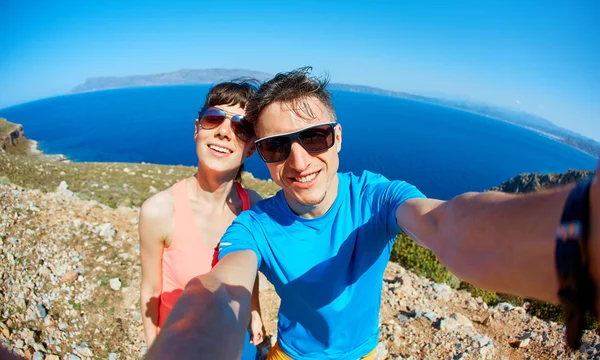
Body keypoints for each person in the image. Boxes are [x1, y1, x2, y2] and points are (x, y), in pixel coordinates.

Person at [147, 68, 600, 360]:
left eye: (316, 137)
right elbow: (223, 284)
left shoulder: (375, 199)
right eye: (277, 146)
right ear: (262, 155)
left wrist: (581, 234)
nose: (300, 161)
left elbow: (448, 223)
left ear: (338, 137)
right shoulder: (254, 225)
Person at [138, 81, 266, 358]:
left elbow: (248, 269)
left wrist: (254, 310)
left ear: (252, 147)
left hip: (238, 340)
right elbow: (150, 288)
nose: (223, 132)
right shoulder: (160, 211)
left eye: (240, 127)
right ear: (197, 128)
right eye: (213, 119)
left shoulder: (253, 206)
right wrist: (154, 348)